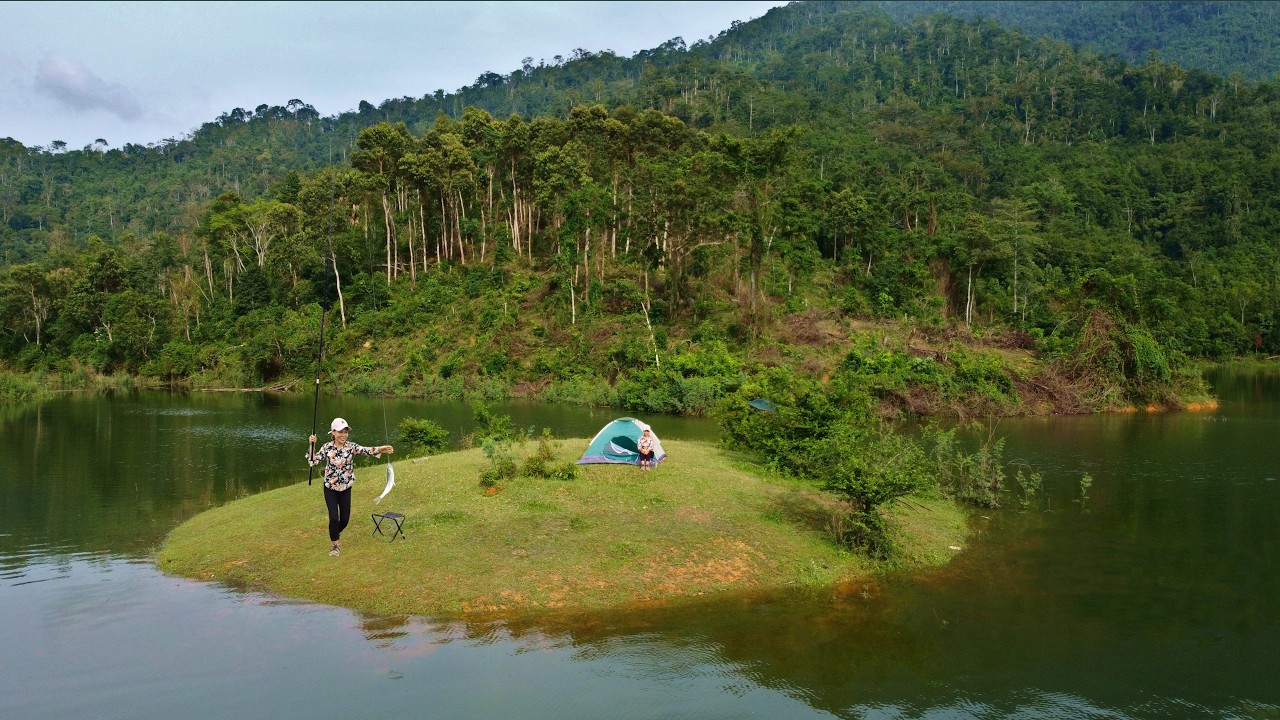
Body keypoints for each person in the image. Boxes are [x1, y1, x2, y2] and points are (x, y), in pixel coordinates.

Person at [307, 417, 393, 556]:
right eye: (340, 432)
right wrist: (311, 445)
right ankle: (335, 545)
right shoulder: (327, 447)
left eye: (346, 432)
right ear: (333, 433)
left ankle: (334, 532)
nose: (344, 435)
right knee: (334, 518)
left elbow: (365, 450)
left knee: (345, 520)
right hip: (330, 488)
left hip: (346, 487)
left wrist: (380, 449)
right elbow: (312, 461)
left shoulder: (351, 447)